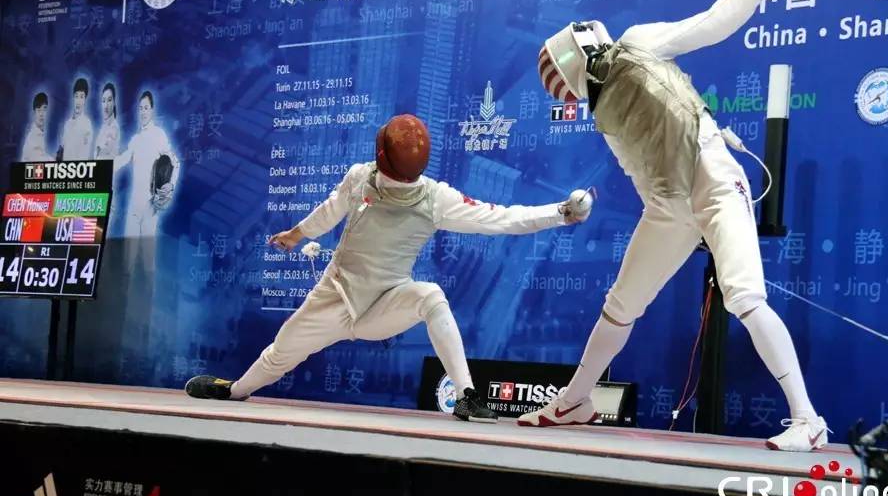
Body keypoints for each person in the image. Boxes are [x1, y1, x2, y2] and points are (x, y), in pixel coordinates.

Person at [520, 0, 827, 452]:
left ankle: (807, 420)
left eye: (570, 92)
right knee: (620, 305)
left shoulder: (638, 44)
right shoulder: (605, 112)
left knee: (745, 298)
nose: (574, 100)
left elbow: (713, 23)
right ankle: (575, 401)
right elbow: (646, 171)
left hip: (715, 183)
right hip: (668, 206)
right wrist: (675, 218)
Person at [186, 114, 593, 422]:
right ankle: (235, 390)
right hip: (335, 297)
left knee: (430, 295)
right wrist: (298, 233)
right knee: (281, 351)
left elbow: (502, 218)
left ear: (381, 154)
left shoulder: (435, 199)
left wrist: (559, 213)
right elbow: (332, 209)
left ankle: (466, 396)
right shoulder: (361, 178)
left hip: (383, 304)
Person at [113, 90, 180, 239]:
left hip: (150, 204)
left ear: (152, 110)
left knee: (146, 251)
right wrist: (100, 166)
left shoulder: (159, 135)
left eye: (146, 108)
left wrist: (171, 184)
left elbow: (175, 162)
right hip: (134, 206)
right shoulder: (135, 140)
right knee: (128, 250)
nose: (143, 112)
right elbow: (121, 160)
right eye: (140, 108)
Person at [60, 78, 94, 161]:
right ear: (73, 97)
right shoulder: (67, 124)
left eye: (81, 97)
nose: (78, 101)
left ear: (85, 99)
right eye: (76, 96)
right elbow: (62, 149)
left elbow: (85, 154)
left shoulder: (87, 124)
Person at [20, 92, 51, 162]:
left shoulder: (40, 133)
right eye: (38, 110)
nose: (41, 114)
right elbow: (39, 160)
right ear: (34, 112)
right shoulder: (32, 136)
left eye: (44, 109)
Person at [95, 83, 120, 159]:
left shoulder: (114, 127)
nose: (106, 105)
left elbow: (103, 151)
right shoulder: (103, 127)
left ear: (114, 102)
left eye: (109, 100)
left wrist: (98, 150)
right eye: (103, 101)